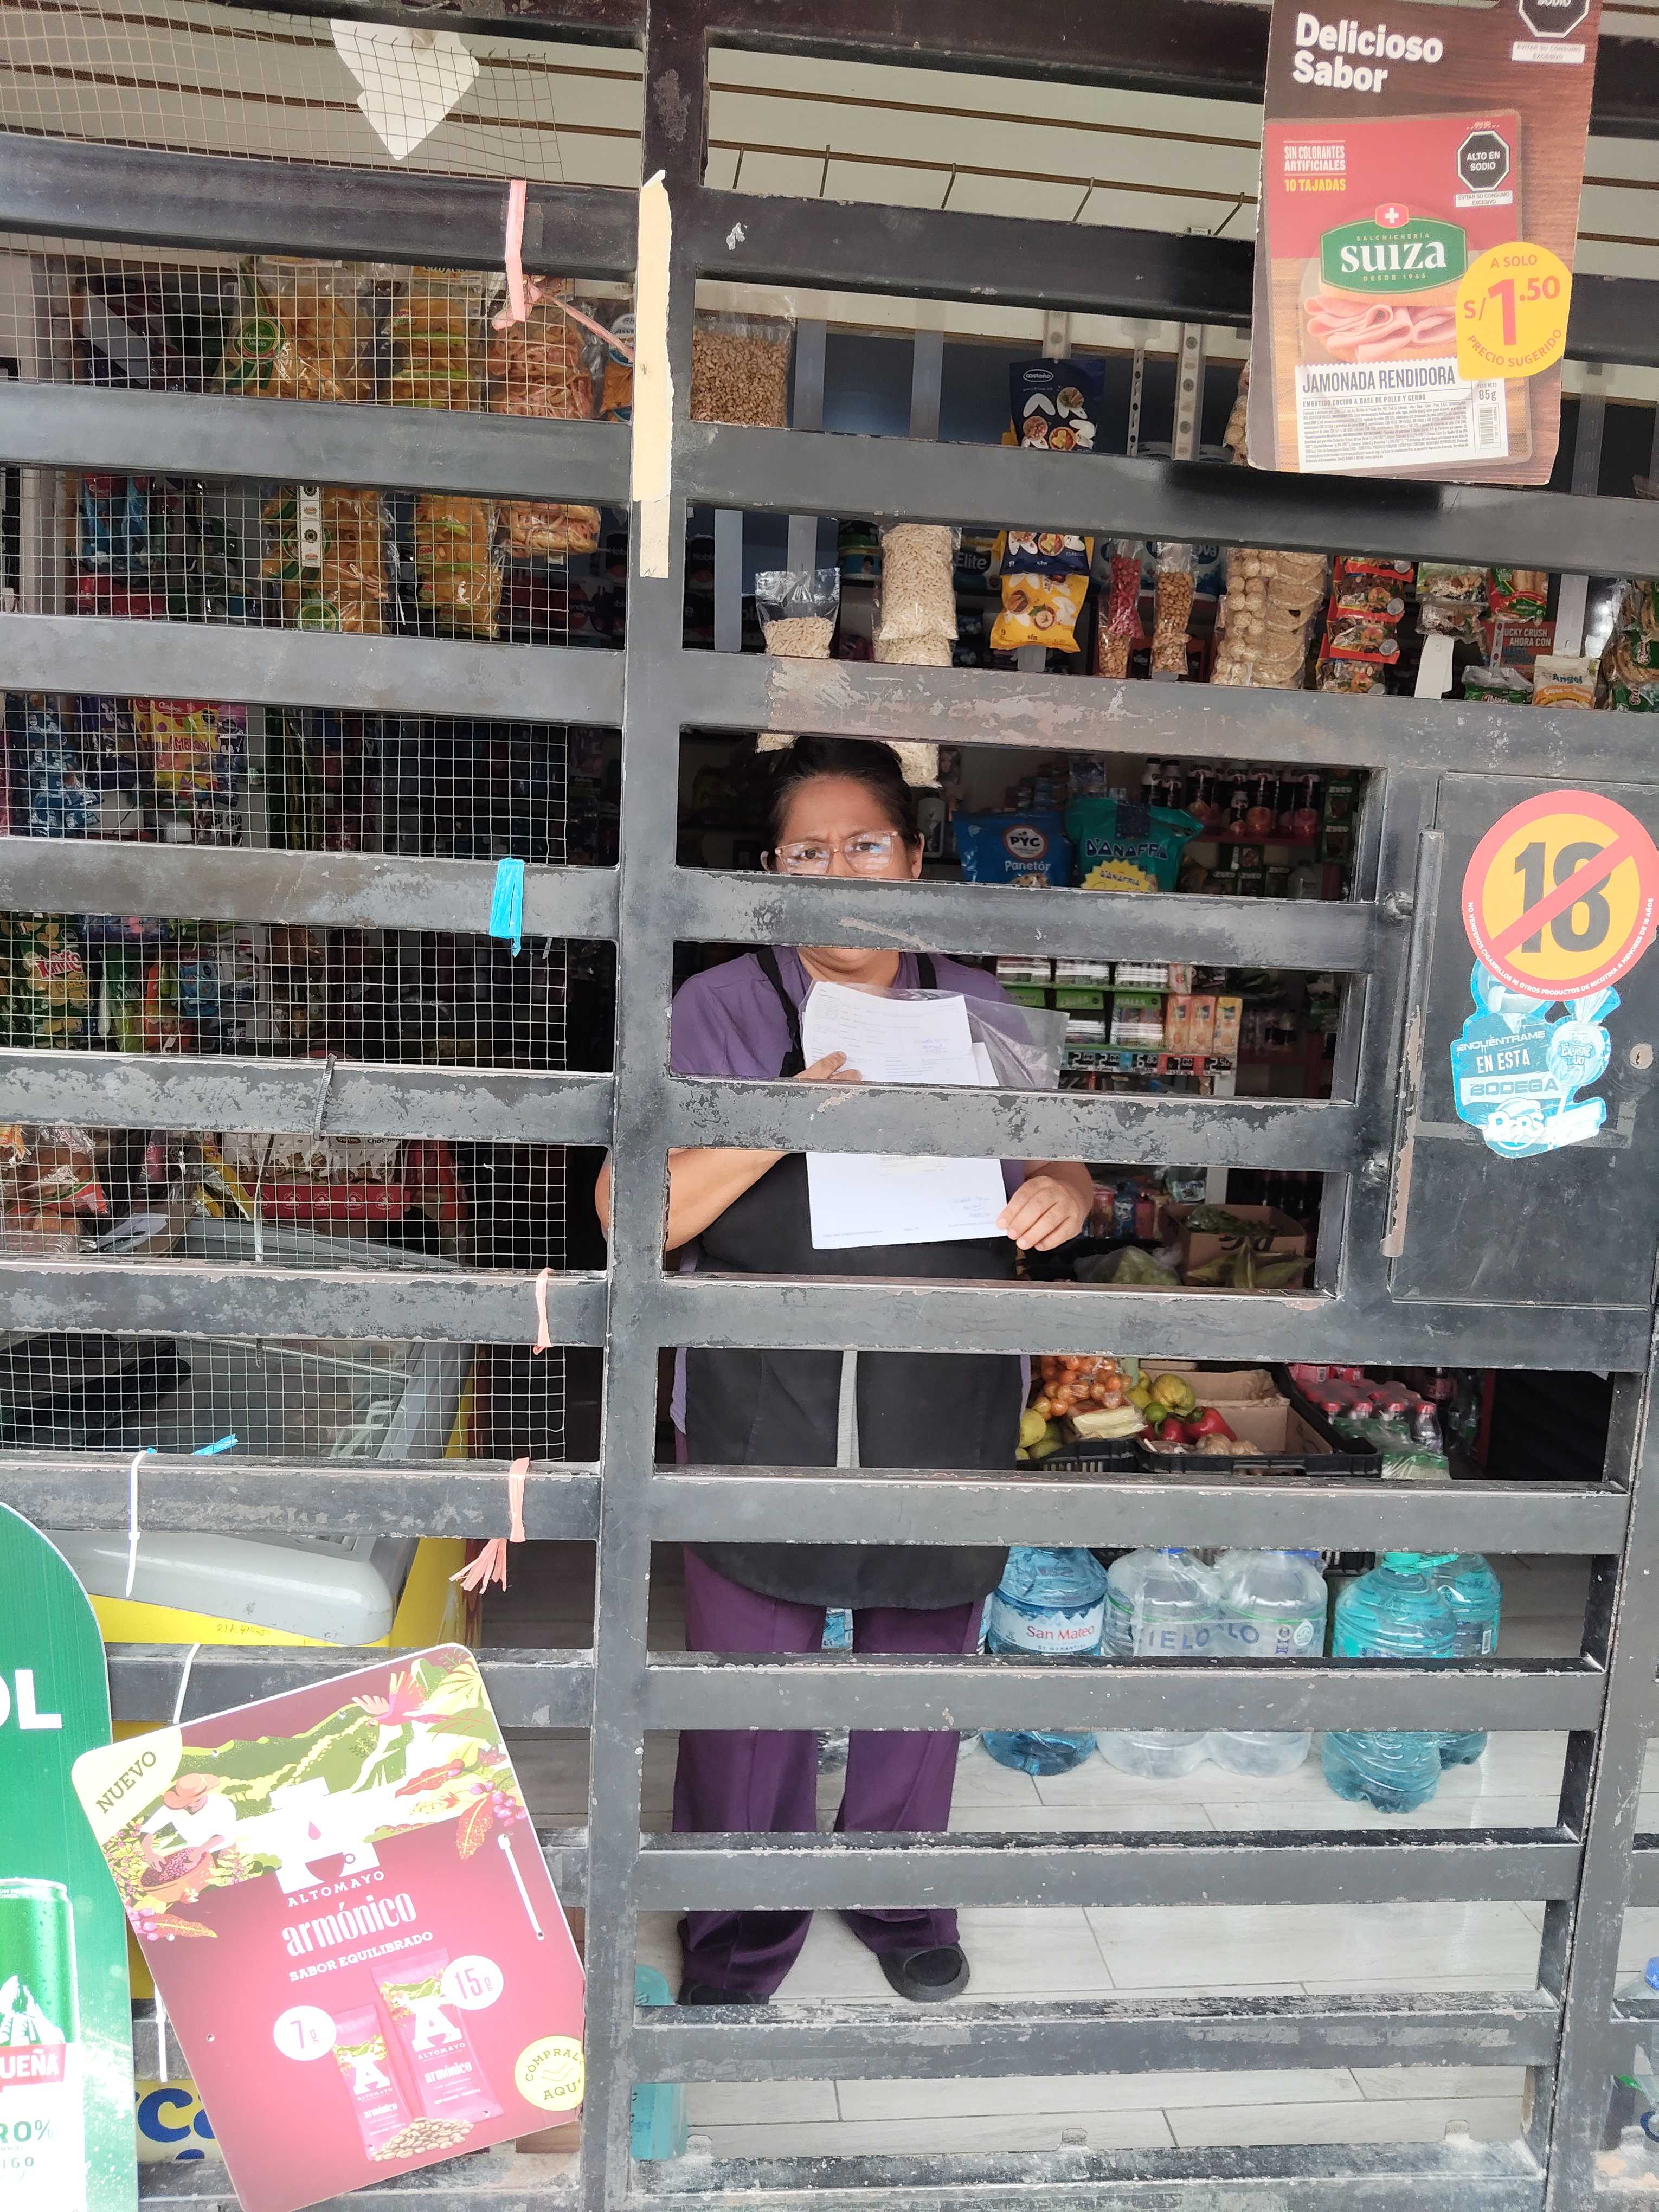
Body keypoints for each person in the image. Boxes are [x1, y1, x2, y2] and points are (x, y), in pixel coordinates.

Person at [595, 734, 1093, 2007]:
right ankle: (737, 1927)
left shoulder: (981, 1006)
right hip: (765, 1392)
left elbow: (1062, 1159)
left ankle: (899, 1895)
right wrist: (780, 1119)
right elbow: (632, 1214)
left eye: (865, 844)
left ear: (913, 857)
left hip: (946, 1387)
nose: (839, 872)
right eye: (806, 853)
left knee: (917, 1667)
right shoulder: (718, 1007)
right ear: (773, 872)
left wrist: (1063, 1192)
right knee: (752, 1684)